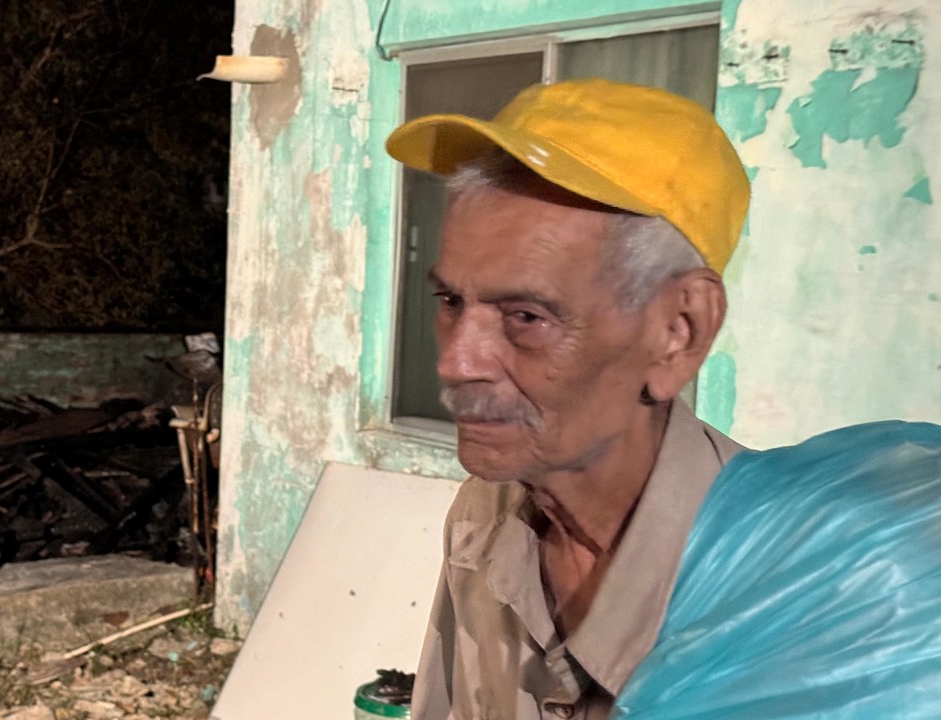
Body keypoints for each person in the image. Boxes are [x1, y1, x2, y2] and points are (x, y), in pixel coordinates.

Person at [384, 78, 941, 719]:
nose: (456, 363)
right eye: (450, 302)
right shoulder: (491, 513)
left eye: (527, 317)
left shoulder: (806, 600)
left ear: (680, 332)